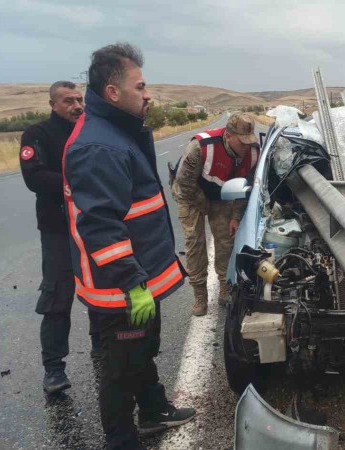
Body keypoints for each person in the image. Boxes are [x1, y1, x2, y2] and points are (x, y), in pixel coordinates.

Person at [63, 43, 195, 449]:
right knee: (119, 369)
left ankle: (153, 410)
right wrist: (133, 282)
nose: (148, 93)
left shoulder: (119, 131)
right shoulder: (99, 146)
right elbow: (101, 227)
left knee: (142, 352)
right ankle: (121, 440)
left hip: (139, 274)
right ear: (113, 92)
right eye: (140, 86)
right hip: (121, 285)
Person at [19, 81, 102, 395]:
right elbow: (35, 177)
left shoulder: (90, 130)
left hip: (92, 226)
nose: (77, 105)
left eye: (79, 99)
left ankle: (101, 348)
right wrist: (78, 184)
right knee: (57, 298)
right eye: (68, 101)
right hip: (57, 229)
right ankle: (54, 369)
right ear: (53, 104)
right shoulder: (37, 135)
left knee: (99, 289)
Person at [169, 112, 259, 316]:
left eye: (249, 141)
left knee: (227, 241)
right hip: (190, 194)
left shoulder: (253, 152)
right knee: (195, 243)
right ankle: (200, 294)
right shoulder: (201, 147)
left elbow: (244, 189)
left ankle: (225, 287)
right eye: (242, 142)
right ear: (228, 136)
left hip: (222, 195)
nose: (246, 147)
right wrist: (204, 206)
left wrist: (236, 217)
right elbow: (185, 182)